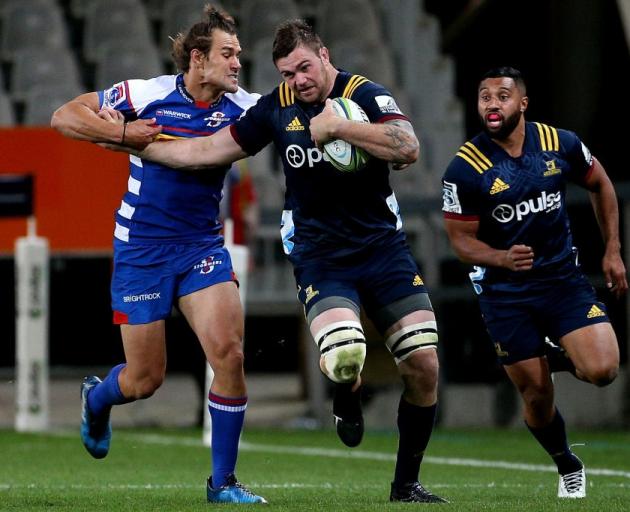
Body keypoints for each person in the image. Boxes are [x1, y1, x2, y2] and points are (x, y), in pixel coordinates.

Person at [114, 18, 447, 504]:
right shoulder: (276, 108)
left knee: (423, 365)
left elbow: (408, 148)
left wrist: (341, 127)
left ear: (325, 56)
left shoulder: (367, 95)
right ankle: (346, 389)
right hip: (320, 256)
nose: (298, 81)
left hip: (382, 251)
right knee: (344, 354)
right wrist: (134, 141)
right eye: (287, 73)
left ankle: (406, 485)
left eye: (305, 68)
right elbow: (208, 150)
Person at [50, 6, 267, 504]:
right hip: (141, 248)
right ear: (198, 58)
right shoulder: (146, 94)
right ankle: (98, 398)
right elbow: (65, 116)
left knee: (229, 353)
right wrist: (124, 134)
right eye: (227, 54)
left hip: (201, 246)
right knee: (145, 379)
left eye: (239, 55)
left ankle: (223, 484)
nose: (238, 64)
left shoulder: (245, 105)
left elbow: (296, 114)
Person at [441, 66, 627, 499]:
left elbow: (600, 183)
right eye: (484, 96)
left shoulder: (559, 143)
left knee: (602, 370)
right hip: (504, 293)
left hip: (562, 281)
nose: (491, 104)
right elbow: (461, 243)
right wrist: (501, 257)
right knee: (538, 395)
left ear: (522, 103)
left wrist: (613, 249)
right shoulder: (466, 168)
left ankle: (554, 353)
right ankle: (567, 463)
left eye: (502, 96)